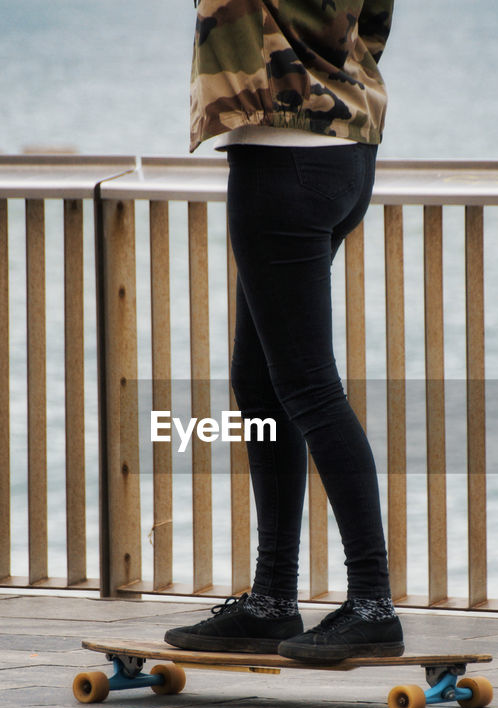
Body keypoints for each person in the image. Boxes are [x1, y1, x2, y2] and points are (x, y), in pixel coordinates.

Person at [164, 0, 401, 663]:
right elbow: (375, 19)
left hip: (282, 158)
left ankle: (373, 603)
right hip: (345, 147)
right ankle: (271, 599)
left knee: (305, 384)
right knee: (262, 378)